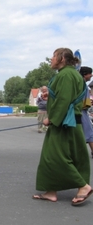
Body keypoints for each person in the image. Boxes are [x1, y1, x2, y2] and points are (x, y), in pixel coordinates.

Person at [32, 48, 92, 206]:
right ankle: (51, 192)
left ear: (62, 59)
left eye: (53, 56)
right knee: (70, 155)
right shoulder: (70, 74)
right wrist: (49, 95)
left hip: (64, 122)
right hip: (70, 121)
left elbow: (64, 100)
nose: (51, 59)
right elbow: (64, 96)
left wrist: (51, 119)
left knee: (54, 157)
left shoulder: (65, 75)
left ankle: (83, 187)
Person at [79, 66, 93, 159]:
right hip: (81, 112)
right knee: (89, 132)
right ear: (85, 74)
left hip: (82, 111)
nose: (91, 75)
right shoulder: (82, 84)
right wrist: (88, 103)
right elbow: (83, 101)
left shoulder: (82, 84)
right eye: (90, 73)